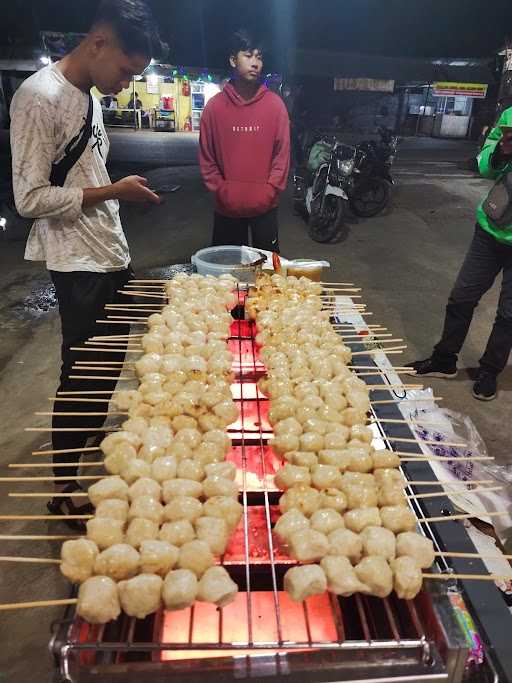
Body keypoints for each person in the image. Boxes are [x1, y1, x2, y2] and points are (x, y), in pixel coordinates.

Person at [10, 0, 166, 524]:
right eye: (126, 70)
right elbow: (29, 198)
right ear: (97, 42)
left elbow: (83, 171)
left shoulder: (91, 97)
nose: (128, 83)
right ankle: (65, 487)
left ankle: (86, 437)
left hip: (108, 251)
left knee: (104, 368)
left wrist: (115, 194)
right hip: (76, 261)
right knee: (81, 375)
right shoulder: (38, 97)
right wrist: (113, 190)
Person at [410, 110, 512, 401]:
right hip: (491, 229)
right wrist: (501, 154)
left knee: (508, 314)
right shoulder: (510, 115)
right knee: (462, 297)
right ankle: (444, 359)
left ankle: (489, 371)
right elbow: (485, 166)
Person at [199, 29, 290, 252]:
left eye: (259, 57)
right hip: (226, 208)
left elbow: (282, 154)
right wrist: (221, 190)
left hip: (266, 208)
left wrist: (270, 190)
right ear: (233, 59)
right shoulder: (215, 107)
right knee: (227, 278)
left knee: (267, 275)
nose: (255, 63)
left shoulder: (275, 105)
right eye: (248, 55)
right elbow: (206, 156)